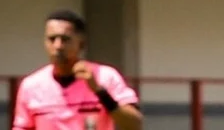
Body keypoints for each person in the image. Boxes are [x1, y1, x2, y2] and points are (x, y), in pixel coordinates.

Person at [12, 10, 142, 130]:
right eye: (52, 39)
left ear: (81, 43)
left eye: (65, 39)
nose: (57, 46)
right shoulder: (31, 85)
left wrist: (99, 91)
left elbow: (134, 124)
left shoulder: (106, 77)